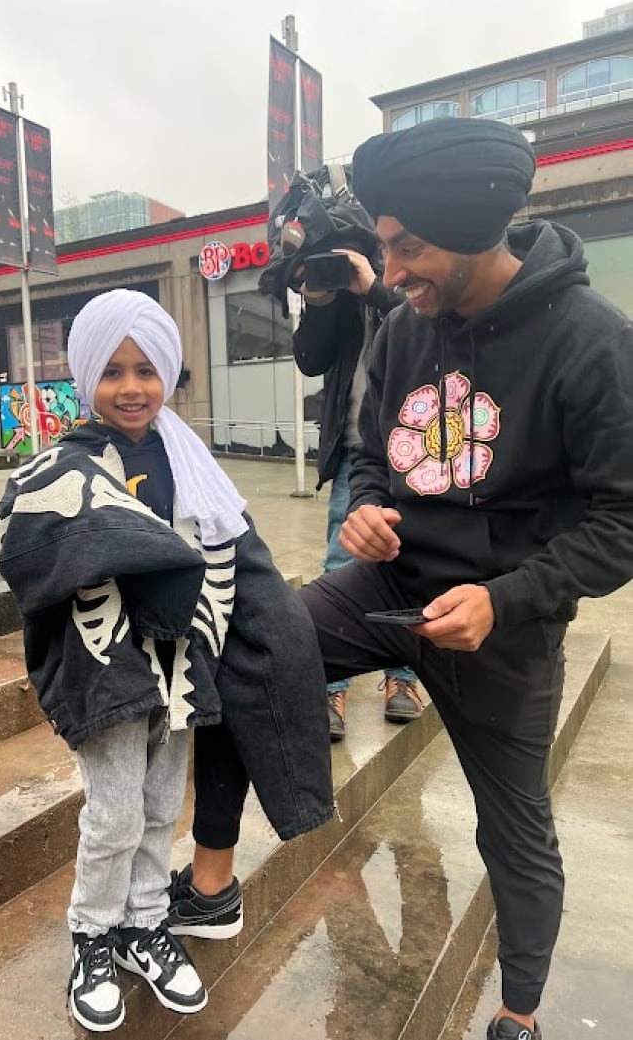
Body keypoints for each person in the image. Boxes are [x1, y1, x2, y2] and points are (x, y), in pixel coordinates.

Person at [297, 118, 633, 1040]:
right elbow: (370, 453)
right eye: (383, 244)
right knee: (258, 641)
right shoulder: (405, 331)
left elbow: (624, 520)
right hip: (388, 587)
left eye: (411, 246)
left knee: (514, 828)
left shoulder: (595, 343)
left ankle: (518, 1018)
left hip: (506, 626)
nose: (393, 268)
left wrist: (508, 597)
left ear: (476, 228)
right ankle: (214, 876)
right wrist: (366, 509)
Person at [0, 289, 333, 1033]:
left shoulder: (190, 456)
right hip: (106, 668)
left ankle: (143, 922)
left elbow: (230, 551)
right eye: (112, 370)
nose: (131, 386)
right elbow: (37, 553)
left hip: (178, 661)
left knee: (154, 808)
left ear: (168, 373)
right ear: (87, 377)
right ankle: (92, 933)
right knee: (111, 810)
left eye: (146, 368)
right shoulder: (65, 461)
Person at [293, 257, 423, 738]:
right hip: (355, 449)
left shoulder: (407, 276)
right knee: (340, 561)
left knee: (412, 562)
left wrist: (374, 288)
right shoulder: (340, 298)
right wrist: (321, 301)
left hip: (420, 449)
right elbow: (310, 359)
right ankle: (331, 684)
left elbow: (427, 329)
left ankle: (403, 680)